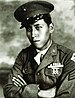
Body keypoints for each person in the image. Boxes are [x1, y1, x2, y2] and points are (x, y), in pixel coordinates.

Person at [3, 1, 75, 98]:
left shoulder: (68, 57)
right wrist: (40, 93)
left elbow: (67, 95)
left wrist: (24, 89)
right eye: (29, 29)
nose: (33, 34)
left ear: (51, 28)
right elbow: (8, 91)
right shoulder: (23, 56)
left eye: (38, 27)